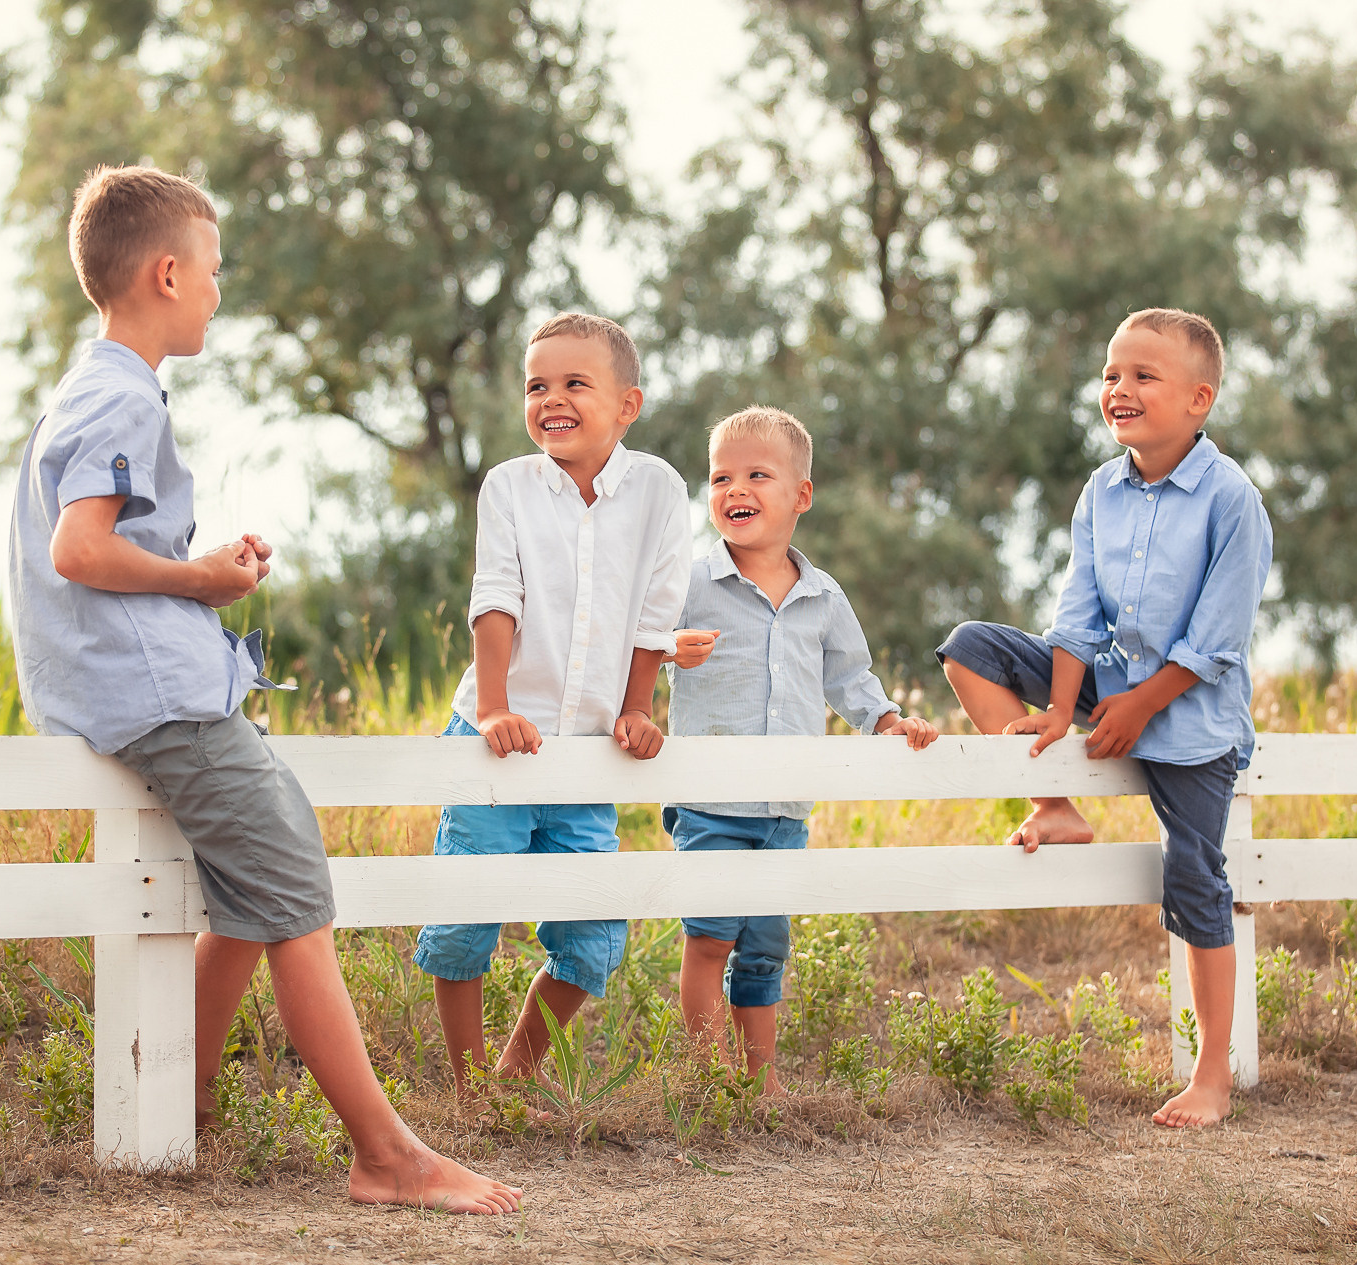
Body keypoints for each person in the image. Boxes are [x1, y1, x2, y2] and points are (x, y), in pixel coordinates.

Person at [6, 165, 520, 1212]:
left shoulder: (106, 386)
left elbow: (109, 542)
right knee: (293, 889)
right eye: (215, 271)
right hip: (160, 699)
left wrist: (207, 567)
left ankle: (175, 1112)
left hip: (161, 684)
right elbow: (81, 548)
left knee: (256, 884)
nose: (218, 290)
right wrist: (199, 578)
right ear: (166, 272)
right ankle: (387, 1155)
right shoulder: (114, 390)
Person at [935, 307, 1272, 1128]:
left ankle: (1212, 1078)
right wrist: (1060, 710)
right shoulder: (1101, 489)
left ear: (1200, 399)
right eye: (1111, 373)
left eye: (1142, 376)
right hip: (1104, 683)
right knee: (969, 646)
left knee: (1195, 878)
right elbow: (1078, 613)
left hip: (1190, 716)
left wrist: (1140, 706)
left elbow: (1217, 639)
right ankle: (1056, 807)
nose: (1118, 388)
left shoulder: (1232, 501)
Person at [413, 312, 691, 1095]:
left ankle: (513, 1069)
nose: (552, 400)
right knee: (467, 914)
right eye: (537, 385)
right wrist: (497, 706)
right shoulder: (508, 486)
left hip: (585, 754)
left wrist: (638, 707)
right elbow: (496, 594)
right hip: (493, 735)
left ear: (627, 404)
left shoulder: (660, 490)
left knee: (594, 938)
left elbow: (656, 611)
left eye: (575, 383)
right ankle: (472, 1093)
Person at [665, 406, 939, 1089]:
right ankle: (710, 1078)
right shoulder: (690, 583)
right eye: (721, 476)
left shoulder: (822, 596)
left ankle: (762, 1082)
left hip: (785, 807)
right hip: (710, 801)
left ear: (801, 495)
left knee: (764, 947)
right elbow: (640, 647)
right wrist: (667, 649)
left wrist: (885, 720)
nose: (736, 489)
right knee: (710, 937)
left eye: (758, 474)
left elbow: (849, 676)